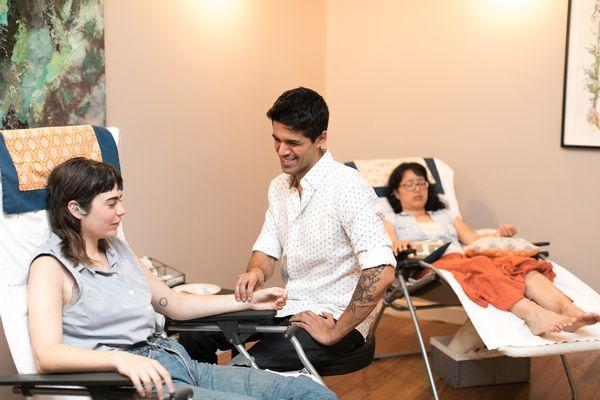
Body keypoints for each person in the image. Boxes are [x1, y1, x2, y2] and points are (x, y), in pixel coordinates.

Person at [28, 157, 337, 400]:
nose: (122, 211)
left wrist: (247, 300)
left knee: (307, 392)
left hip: (177, 361)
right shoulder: (50, 267)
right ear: (76, 209)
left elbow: (173, 303)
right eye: (111, 203)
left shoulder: (118, 250)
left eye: (120, 199)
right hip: (135, 383)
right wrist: (119, 362)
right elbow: (47, 355)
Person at [180, 87, 396, 371]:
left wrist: (334, 331)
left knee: (240, 372)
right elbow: (266, 249)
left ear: (321, 139)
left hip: (334, 319)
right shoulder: (279, 187)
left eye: (293, 142)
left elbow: (382, 270)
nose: (282, 151)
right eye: (276, 139)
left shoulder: (348, 187)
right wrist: (256, 272)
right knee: (193, 338)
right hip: (288, 305)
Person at [383, 162, 600, 336]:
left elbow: (473, 238)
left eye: (421, 183)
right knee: (481, 265)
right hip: (429, 266)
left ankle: (568, 310)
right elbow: (392, 244)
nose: (417, 189)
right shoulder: (391, 220)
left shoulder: (445, 215)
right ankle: (533, 315)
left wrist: (499, 234)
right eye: (409, 184)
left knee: (521, 264)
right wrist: (399, 244)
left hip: (462, 257)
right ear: (396, 192)